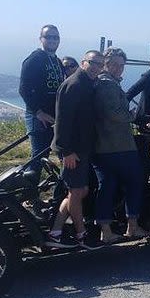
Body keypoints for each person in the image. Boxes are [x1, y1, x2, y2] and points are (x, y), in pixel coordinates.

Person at [46, 51, 105, 249]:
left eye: (100, 64)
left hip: (81, 149)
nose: (96, 67)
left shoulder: (87, 83)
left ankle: (55, 232)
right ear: (83, 63)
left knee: (79, 191)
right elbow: (62, 121)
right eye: (92, 63)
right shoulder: (75, 85)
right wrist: (66, 151)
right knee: (77, 191)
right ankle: (81, 235)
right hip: (73, 151)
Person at [92, 48, 150, 243]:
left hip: (104, 145)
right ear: (105, 64)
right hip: (118, 145)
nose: (118, 68)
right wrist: (132, 116)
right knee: (134, 182)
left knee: (107, 186)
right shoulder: (107, 84)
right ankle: (131, 227)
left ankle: (106, 230)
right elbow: (113, 113)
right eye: (113, 64)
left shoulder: (102, 82)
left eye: (121, 65)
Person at [18, 24, 65, 191]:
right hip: (38, 117)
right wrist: (38, 112)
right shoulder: (34, 59)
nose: (52, 40)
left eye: (56, 37)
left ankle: (60, 194)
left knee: (63, 154)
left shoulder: (57, 61)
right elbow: (23, 89)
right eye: (48, 37)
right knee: (38, 158)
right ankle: (30, 197)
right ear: (41, 39)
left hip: (54, 117)